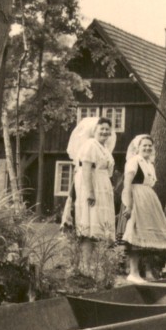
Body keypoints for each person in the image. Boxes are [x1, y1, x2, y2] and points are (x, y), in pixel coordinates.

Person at [65, 116, 116, 273]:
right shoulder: (90, 145)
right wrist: (90, 192)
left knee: (98, 227)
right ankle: (84, 266)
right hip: (91, 186)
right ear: (94, 130)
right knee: (89, 226)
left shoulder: (104, 148)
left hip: (102, 186)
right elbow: (85, 169)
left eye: (107, 129)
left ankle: (92, 265)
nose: (105, 132)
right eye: (102, 128)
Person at [120, 135, 166, 283]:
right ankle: (133, 272)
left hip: (148, 201)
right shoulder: (134, 161)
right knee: (136, 233)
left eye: (150, 145)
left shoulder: (149, 163)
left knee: (151, 235)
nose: (148, 148)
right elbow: (127, 184)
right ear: (138, 147)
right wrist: (129, 205)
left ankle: (150, 270)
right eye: (144, 146)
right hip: (136, 199)